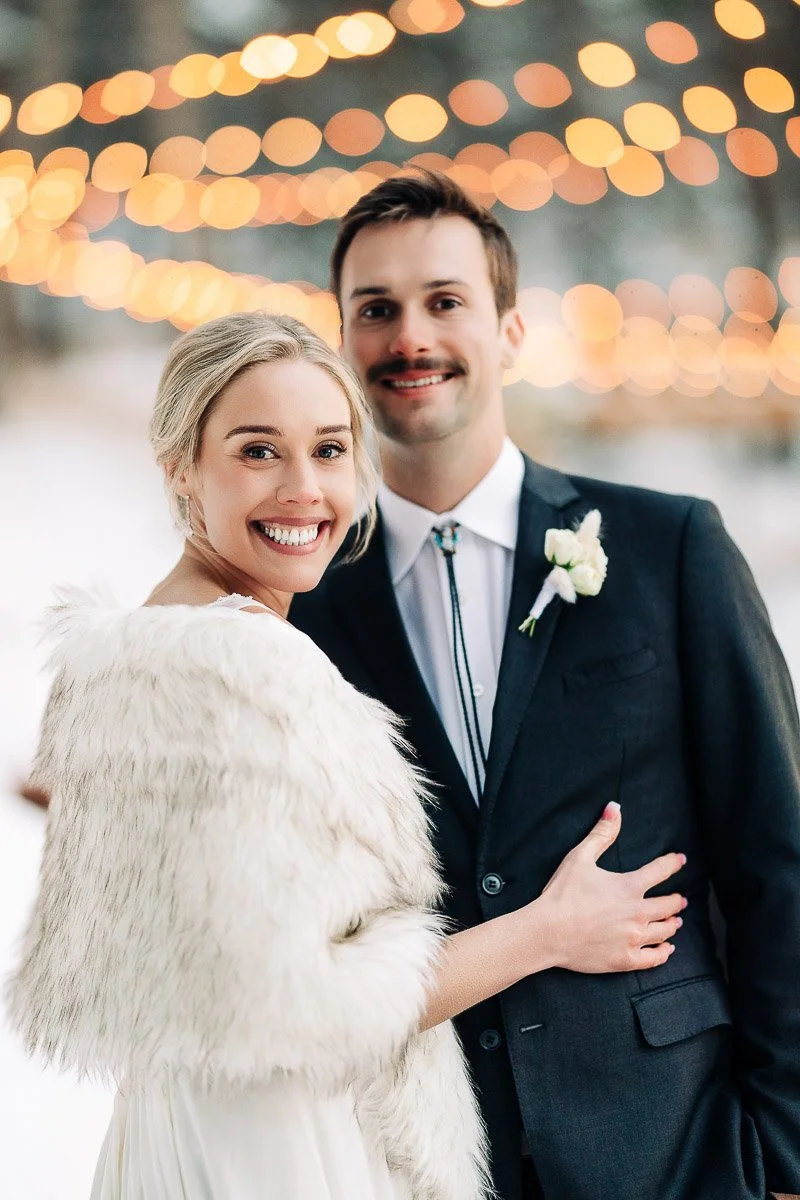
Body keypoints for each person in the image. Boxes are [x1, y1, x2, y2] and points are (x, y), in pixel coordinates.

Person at [7, 312, 687, 1200]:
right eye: (258, 451)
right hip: (285, 1150)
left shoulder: (123, 656)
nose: (304, 490)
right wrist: (547, 929)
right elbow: (310, 1001)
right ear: (180, 468)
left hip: (177, 1135)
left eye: (329, 451)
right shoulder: (248, 668)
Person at [290, 171, 800, 1200]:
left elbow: (774, 856)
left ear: (510, 330)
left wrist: (783, 1154)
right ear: (341, 342)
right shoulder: (305, 610)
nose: (408, 337)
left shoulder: (667, 547)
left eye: (444, 301)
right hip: (415, 1160)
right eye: (374, 309)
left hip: (675, 1144)